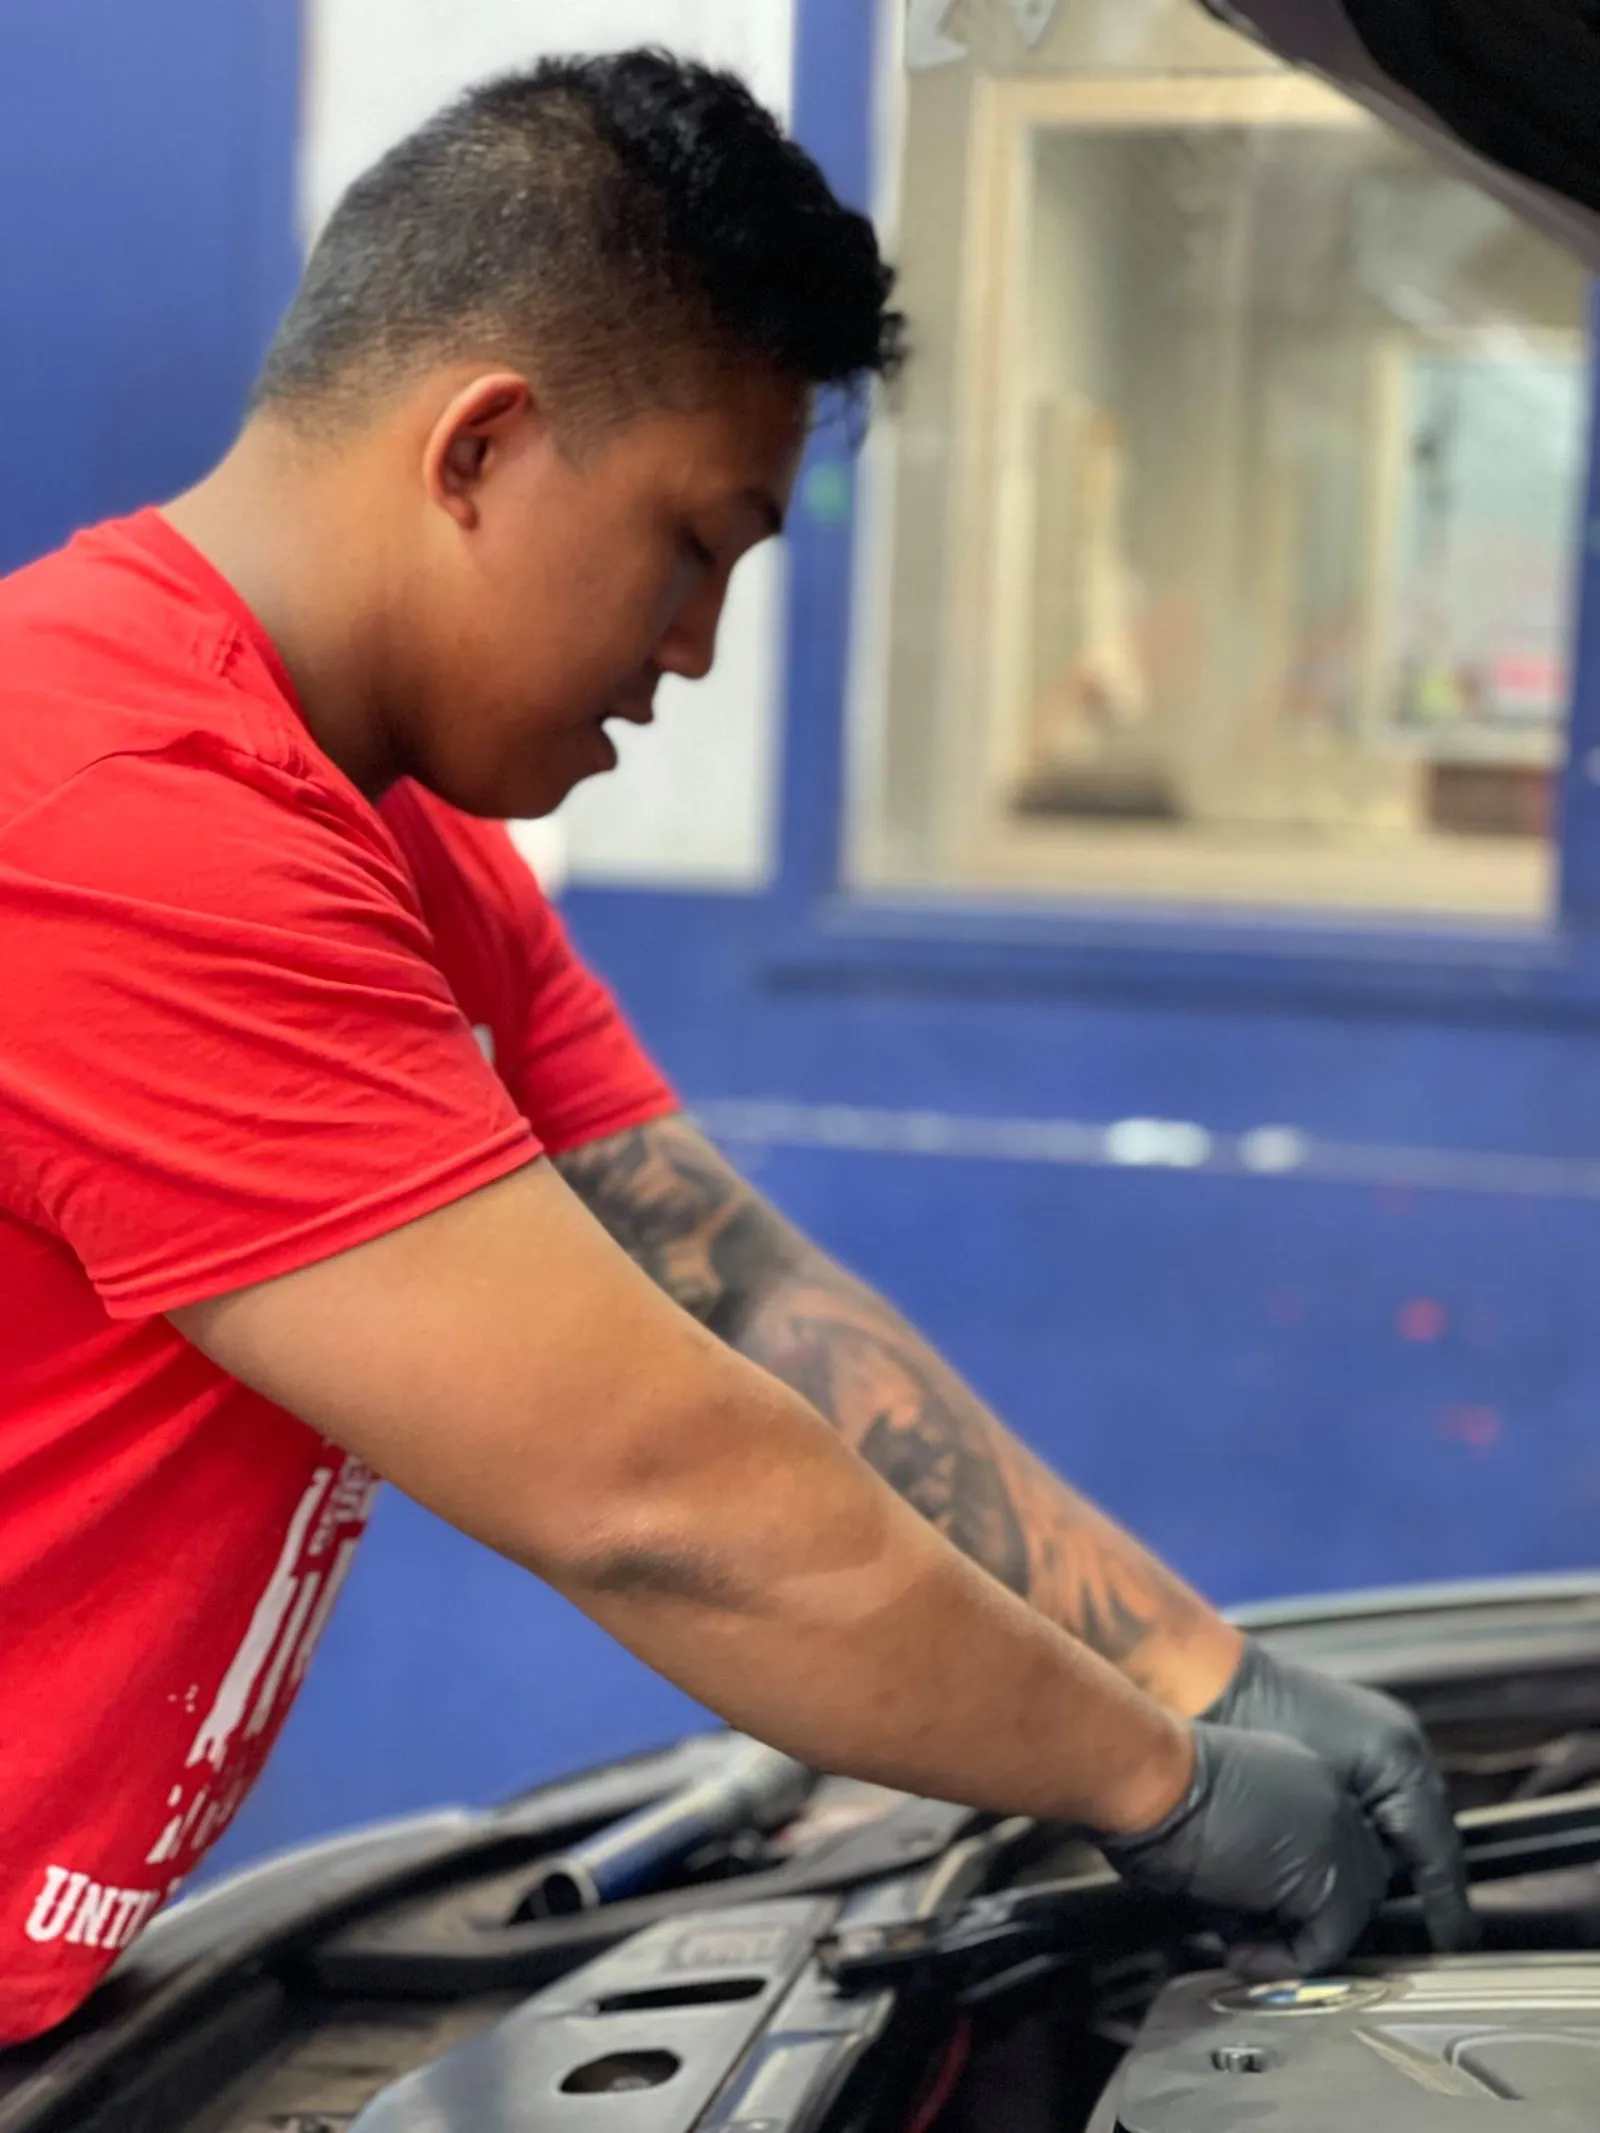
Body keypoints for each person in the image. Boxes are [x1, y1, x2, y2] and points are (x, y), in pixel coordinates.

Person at [0, 50, 1471, 2045]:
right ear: (479, 450)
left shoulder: (392, 841)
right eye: (695, 543)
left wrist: (1206, 1671)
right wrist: (1149, 1780)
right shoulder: (114, 804)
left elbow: (745, 1300)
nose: (693, 647)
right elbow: (656, 1492)